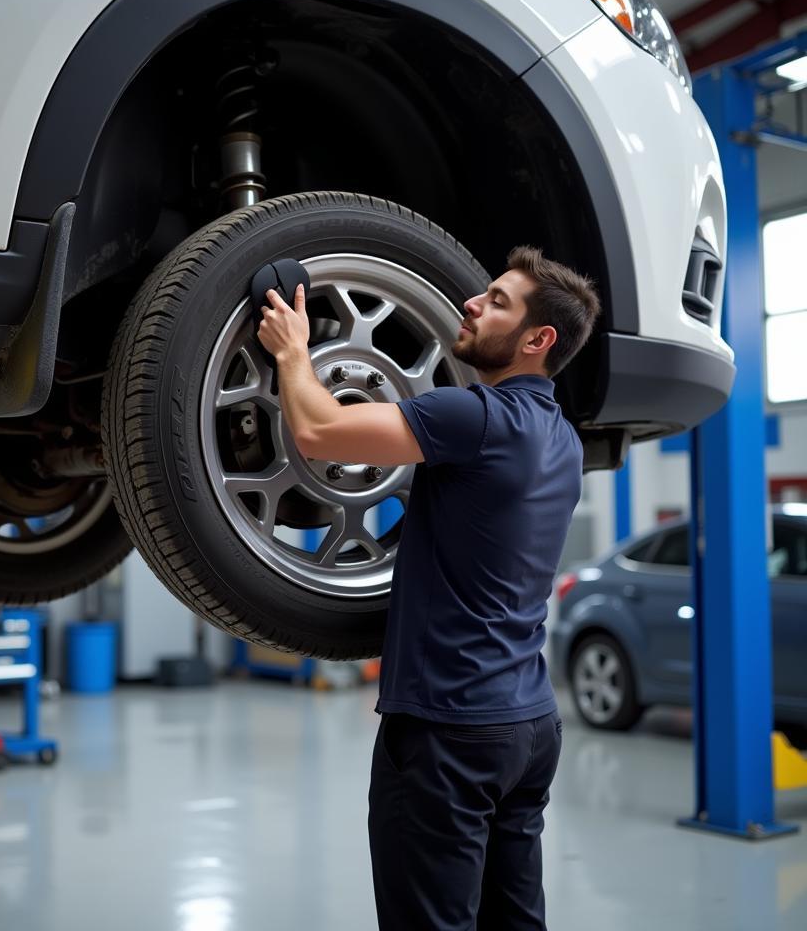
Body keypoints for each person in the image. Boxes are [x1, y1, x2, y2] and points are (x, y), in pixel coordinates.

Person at [256, 245, 602, 931]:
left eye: (498, 301)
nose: (473, 302)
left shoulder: (475, 417)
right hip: (529, 725)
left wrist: (294, 352)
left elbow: (319, 431)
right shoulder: (561, 436)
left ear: (539, 340)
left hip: (452, 730)